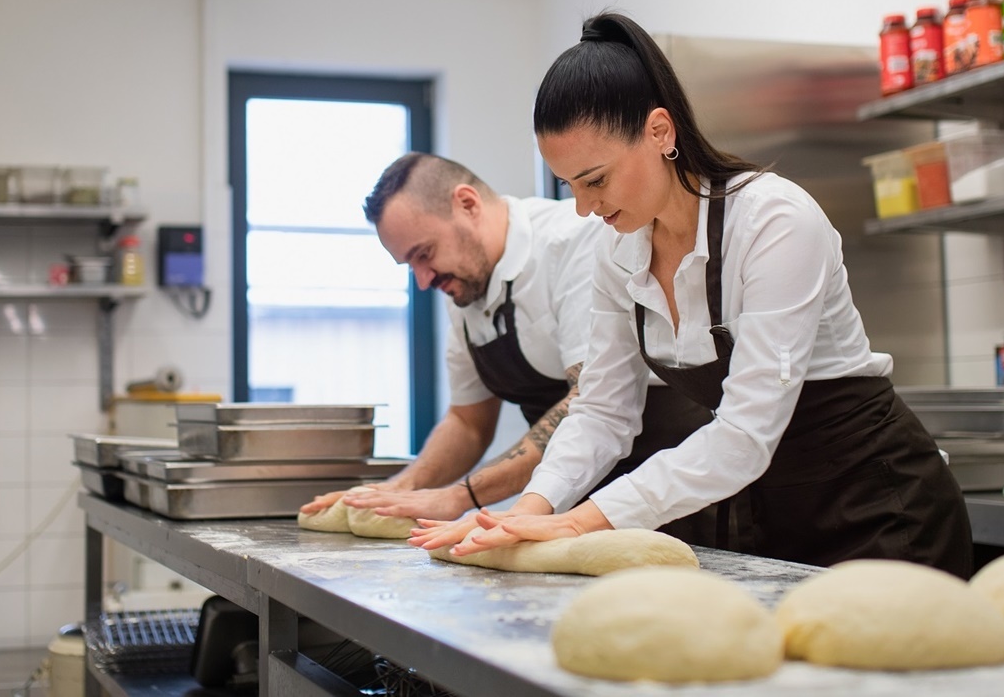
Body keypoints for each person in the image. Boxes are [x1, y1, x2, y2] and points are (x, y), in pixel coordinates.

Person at [411, 12, 973, 578]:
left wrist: (581, 521)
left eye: (596, 180)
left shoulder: (774, 220)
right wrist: (523, 516)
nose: (584, 208)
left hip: (881, 508)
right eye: (569, 187)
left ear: (660, 132)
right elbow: (603, 411)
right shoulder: (618, 251)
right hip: (776, 516)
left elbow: (746, 434)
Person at [299, 152, 707, 527]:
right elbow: (468, 422)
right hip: (566, 496)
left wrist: (461, 497)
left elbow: (590, 401)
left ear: (468, 204)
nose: (423, 280)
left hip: (669, 485)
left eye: (424, 254)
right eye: (410, 266)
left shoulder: (573, 243)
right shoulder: (462, 286)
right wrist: (399, 490)